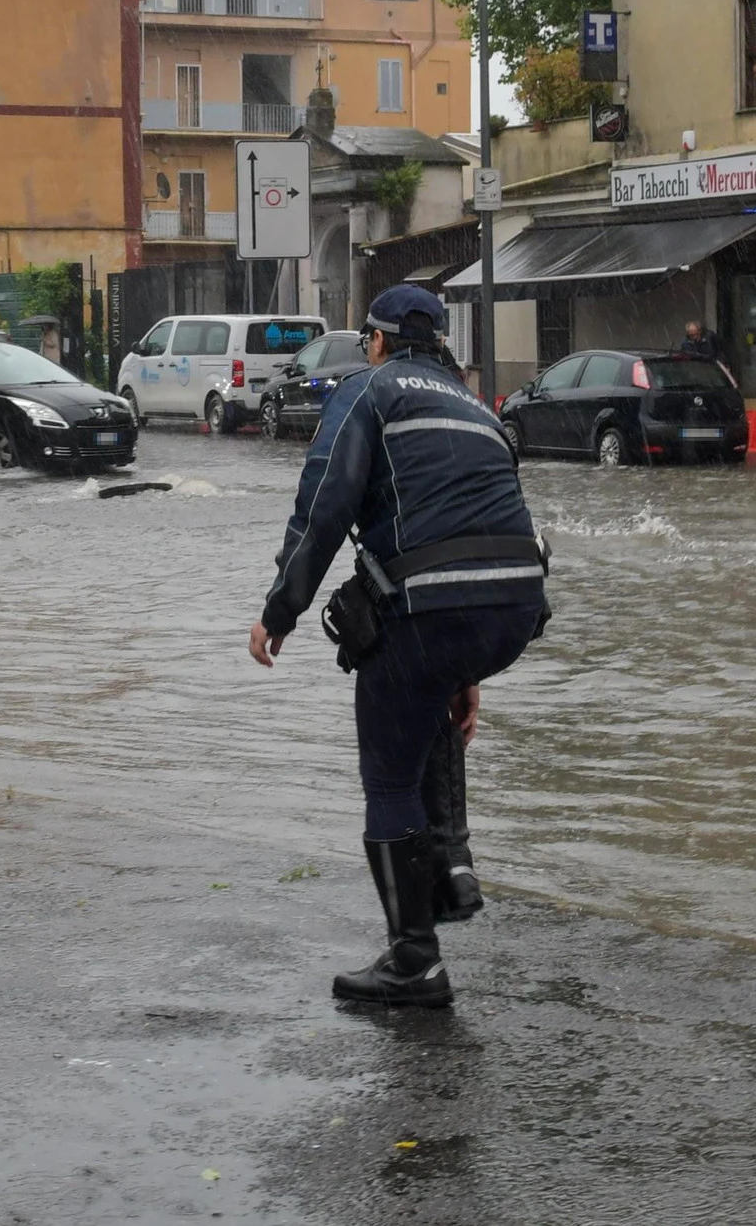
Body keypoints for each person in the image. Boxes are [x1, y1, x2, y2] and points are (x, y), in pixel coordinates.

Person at [248, 284, 548, 1009]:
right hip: (517, 604)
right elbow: (480, 524)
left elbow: (325, 504)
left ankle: (415, 959)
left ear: (375, 341)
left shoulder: (368, 391)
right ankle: (450, 863)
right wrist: (467, 668)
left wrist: (280, 611)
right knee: (422, 681)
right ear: (440, 343)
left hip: (438, 607)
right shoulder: (477, 405)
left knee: (387, 769)